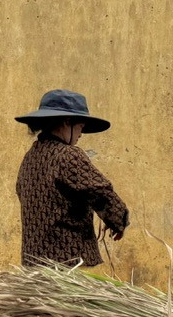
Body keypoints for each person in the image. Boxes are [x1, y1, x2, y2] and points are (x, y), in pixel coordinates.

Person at [15, 89, 128, 267]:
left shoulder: (31, 156)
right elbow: (100, 191)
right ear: (67, 122)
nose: (81, 134)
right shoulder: (68, 156)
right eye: (80, 127)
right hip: (69, 265)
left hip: (34, 265)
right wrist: (118, 221)